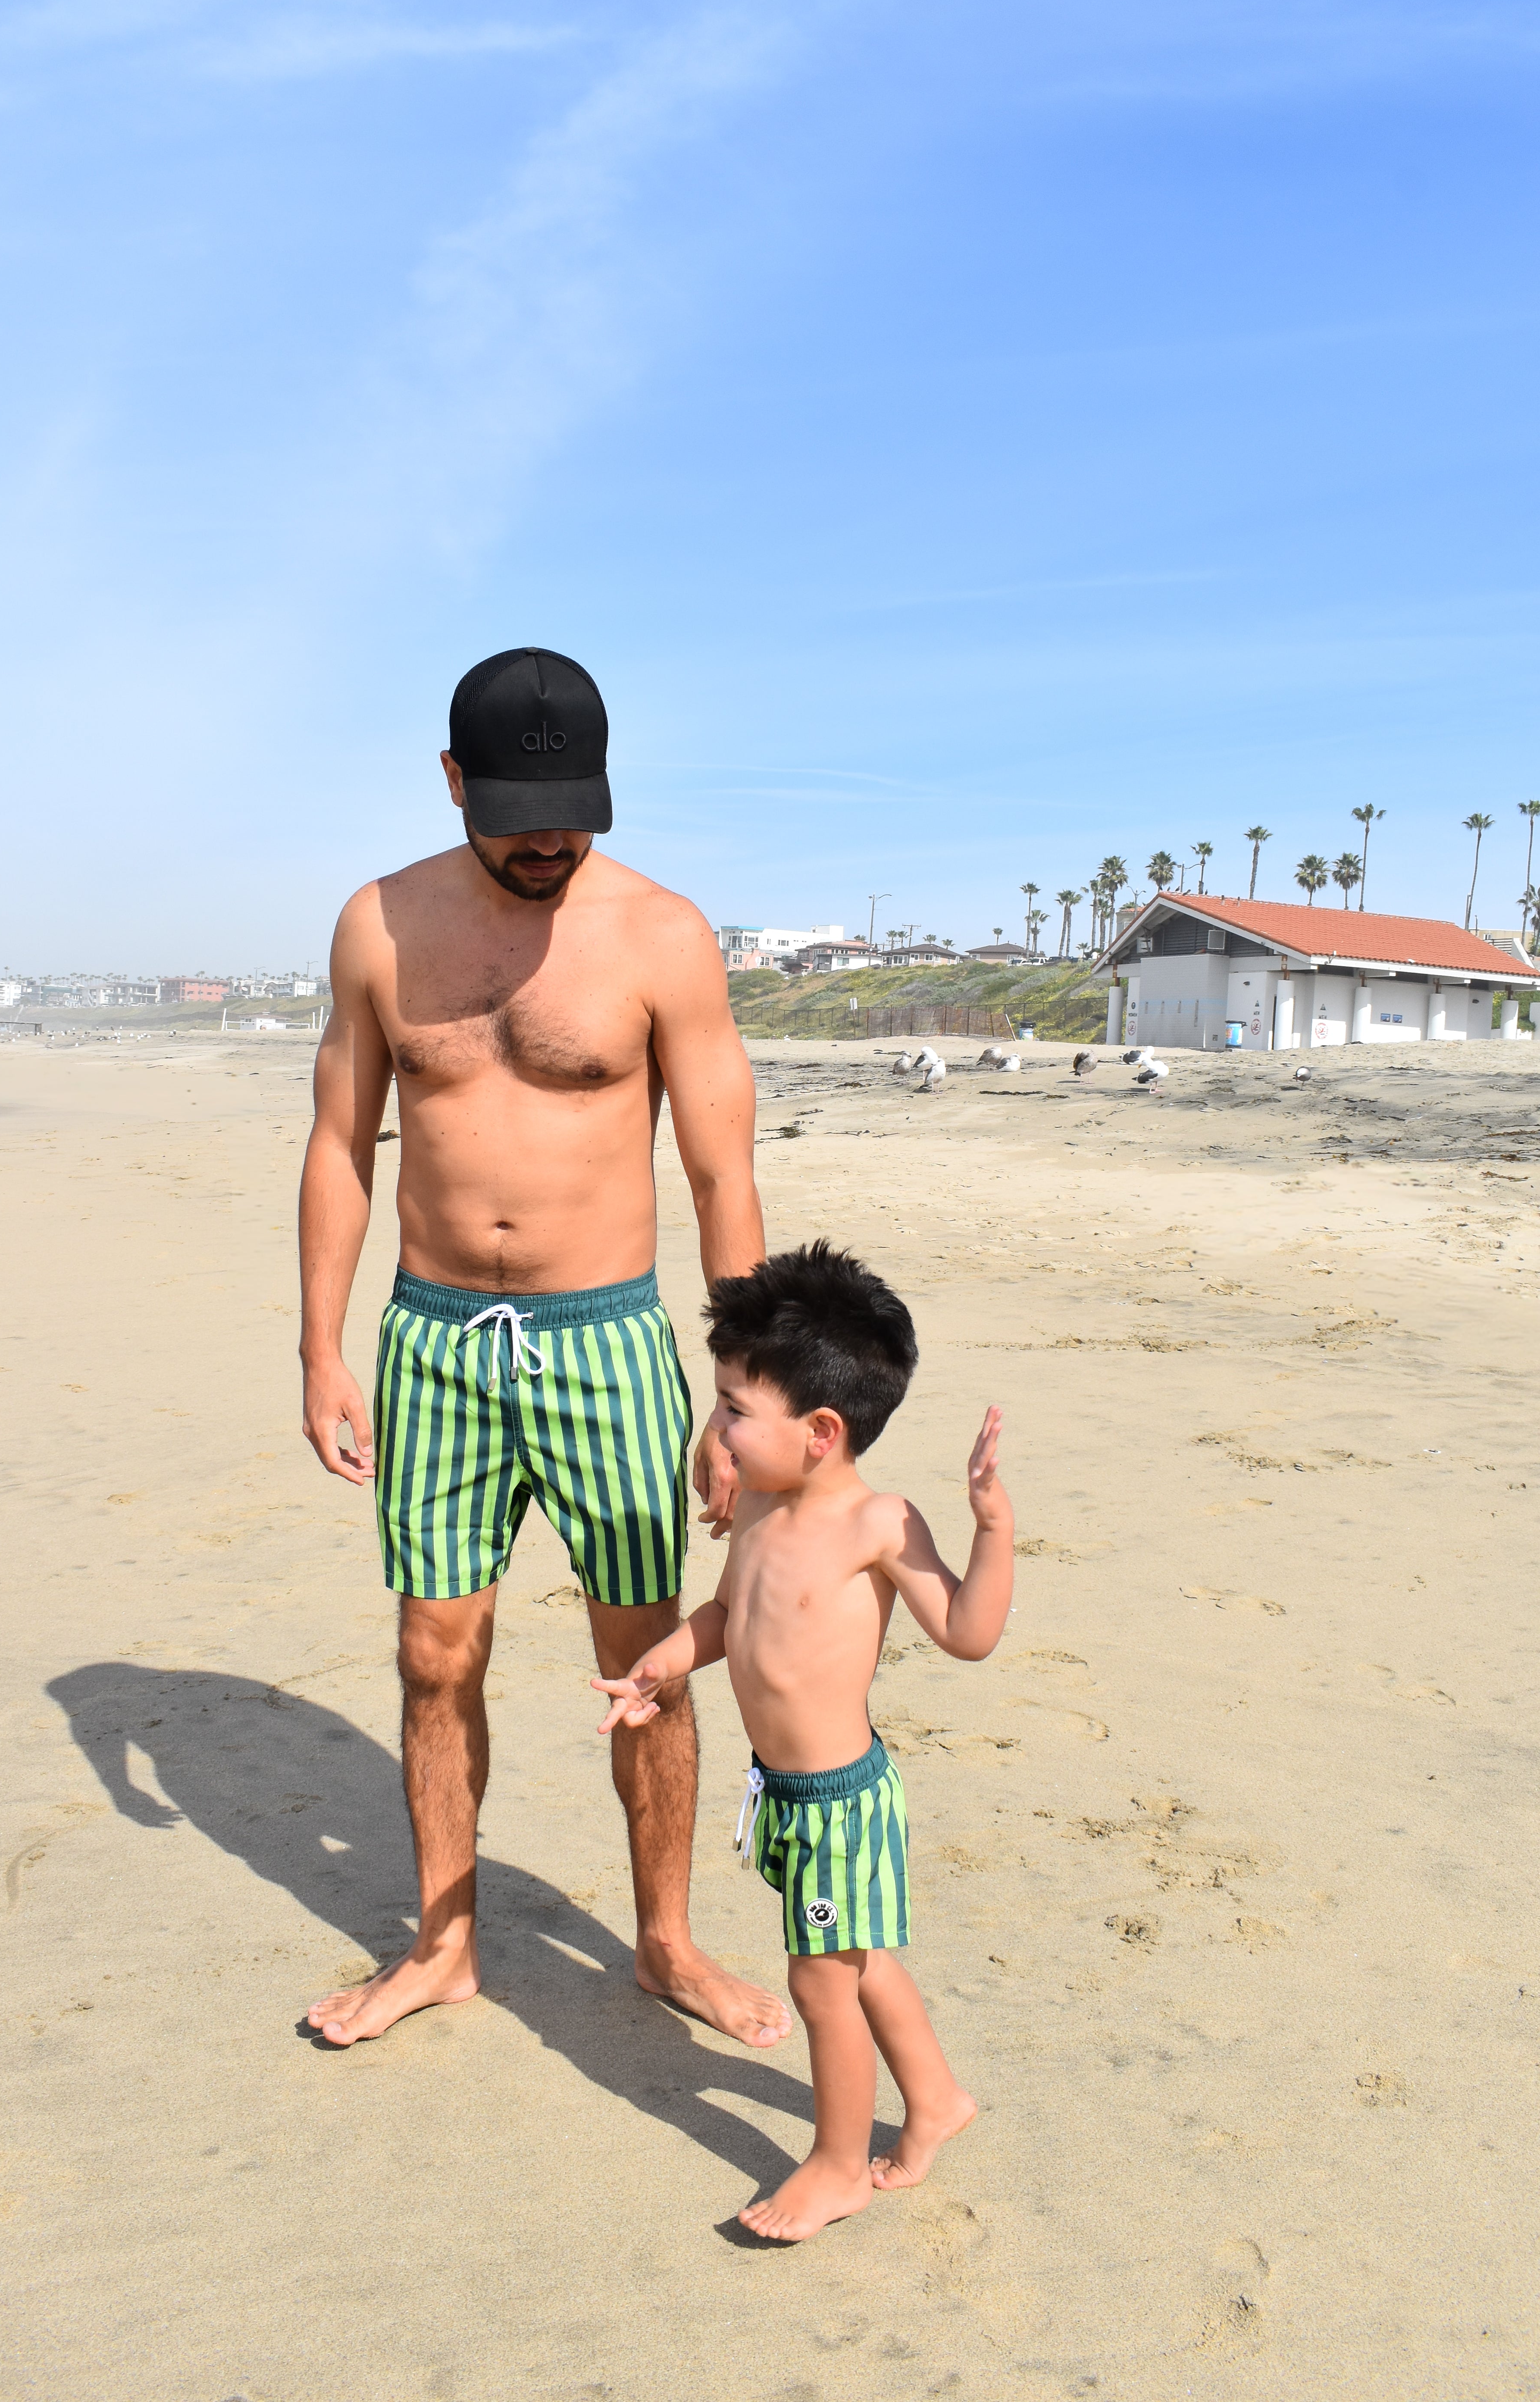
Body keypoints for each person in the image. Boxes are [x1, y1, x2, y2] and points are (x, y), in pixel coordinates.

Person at [298, 647, 786, 2050]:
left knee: (647, 1655)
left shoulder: (661, 936)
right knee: (434, 1652)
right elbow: (340, 1145)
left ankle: (668, 1941)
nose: (548, 840)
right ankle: (441, 1944)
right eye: (515, 809)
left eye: (573, 808)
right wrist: (321, 1351)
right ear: (452, 780)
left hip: (609, 1343)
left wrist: (741, 1388)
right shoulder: (378, 927)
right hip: (435, 1340)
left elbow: (721, 1177)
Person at [593, 1241, 1015, 2240]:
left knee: (818, 1976)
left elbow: (968, 1634)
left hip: (841, 1803)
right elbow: (728, 1617)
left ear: (821, 1431)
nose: (720, 1431)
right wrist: (661, 1664)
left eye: (736, 1409)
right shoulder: (759, 1516)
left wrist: (992, 1528)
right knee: (857, 1960)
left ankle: (835, 2165)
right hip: (782, 1794)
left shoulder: (877, 1523)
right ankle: (937, 2100)